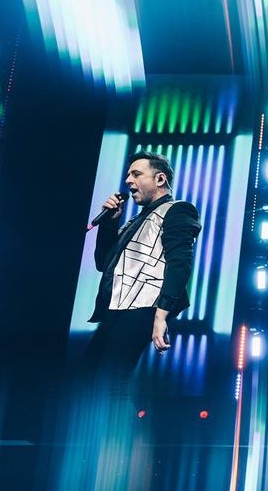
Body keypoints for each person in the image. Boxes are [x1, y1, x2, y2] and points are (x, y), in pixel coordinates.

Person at [84, 151, 201, 399]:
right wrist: (109, 224)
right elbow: (103, 263)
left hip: (143, 308)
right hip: (116, 309)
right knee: (89, 375)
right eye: (128, 175)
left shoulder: (178, 210)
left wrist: (161, 315)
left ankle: (116, 425)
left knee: (115, 381)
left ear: (159, 179)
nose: (128, 180)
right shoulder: (135, 221)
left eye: (136, 174)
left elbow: (180, 264)